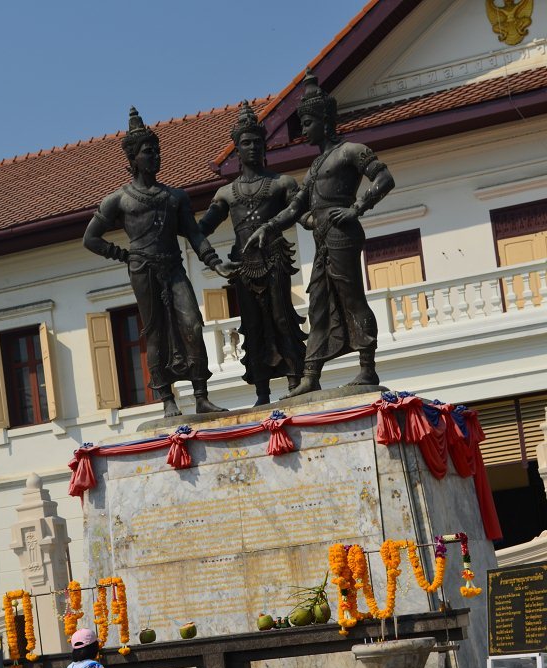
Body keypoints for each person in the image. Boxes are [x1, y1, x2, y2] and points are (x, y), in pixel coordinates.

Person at [246, 69, 395, 396]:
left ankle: (367, 368)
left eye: (308, 123)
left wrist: (356, 208)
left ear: (324, 121)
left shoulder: (351, 151)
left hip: (343, 232)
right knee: (318, 302)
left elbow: (384, 179)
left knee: (352, 297)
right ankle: (311, 374)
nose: (304, 131)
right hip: (323, 237)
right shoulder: (315, 166)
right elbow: (296, 207)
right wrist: (268, 227)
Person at [84, 106, 231, 419]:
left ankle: (201, 395)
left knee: (191, 322)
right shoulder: (119, 199)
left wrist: (214, 262)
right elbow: (91, 238)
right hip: (143, 270)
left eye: (157, 151)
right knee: (155, 332)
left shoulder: (175, 197)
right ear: (133, 158)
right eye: (149, 152)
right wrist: (121, 254)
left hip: (173, 267)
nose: (156, 157)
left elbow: (193, 234)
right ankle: (167, 398)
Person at [198, 101, 307, 406]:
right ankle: (262, 392)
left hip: (274, 258)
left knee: (283, 318)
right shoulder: (226, 193)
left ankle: (295, 380)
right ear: (236, 149)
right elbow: (202, 228)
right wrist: (178, 229)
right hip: (243, 265)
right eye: (246, 143)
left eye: (258, 142)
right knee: (253, 325)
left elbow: (301, 211)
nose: (253, 148)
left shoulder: (281, 183)